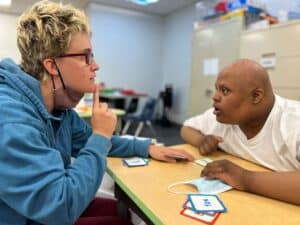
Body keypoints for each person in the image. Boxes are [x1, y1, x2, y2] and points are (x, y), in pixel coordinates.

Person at [0, 1, 195, 225]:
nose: (96, 66)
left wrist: (147, 148)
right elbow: (60, 207)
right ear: (52, 66)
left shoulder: (58, 110)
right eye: (86, 57)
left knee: (126, 210)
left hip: (41, 212)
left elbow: (90, 141)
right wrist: (101, 135)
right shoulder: (10, 119)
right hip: (36, 216)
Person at [181, 59, 300, 205]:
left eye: (224, 90)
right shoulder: (223, 117)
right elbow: (186, 128)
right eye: (216, 89)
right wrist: (201, 140)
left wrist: (245, 179)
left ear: (256, 96)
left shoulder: (293, 122)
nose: (215, 96)